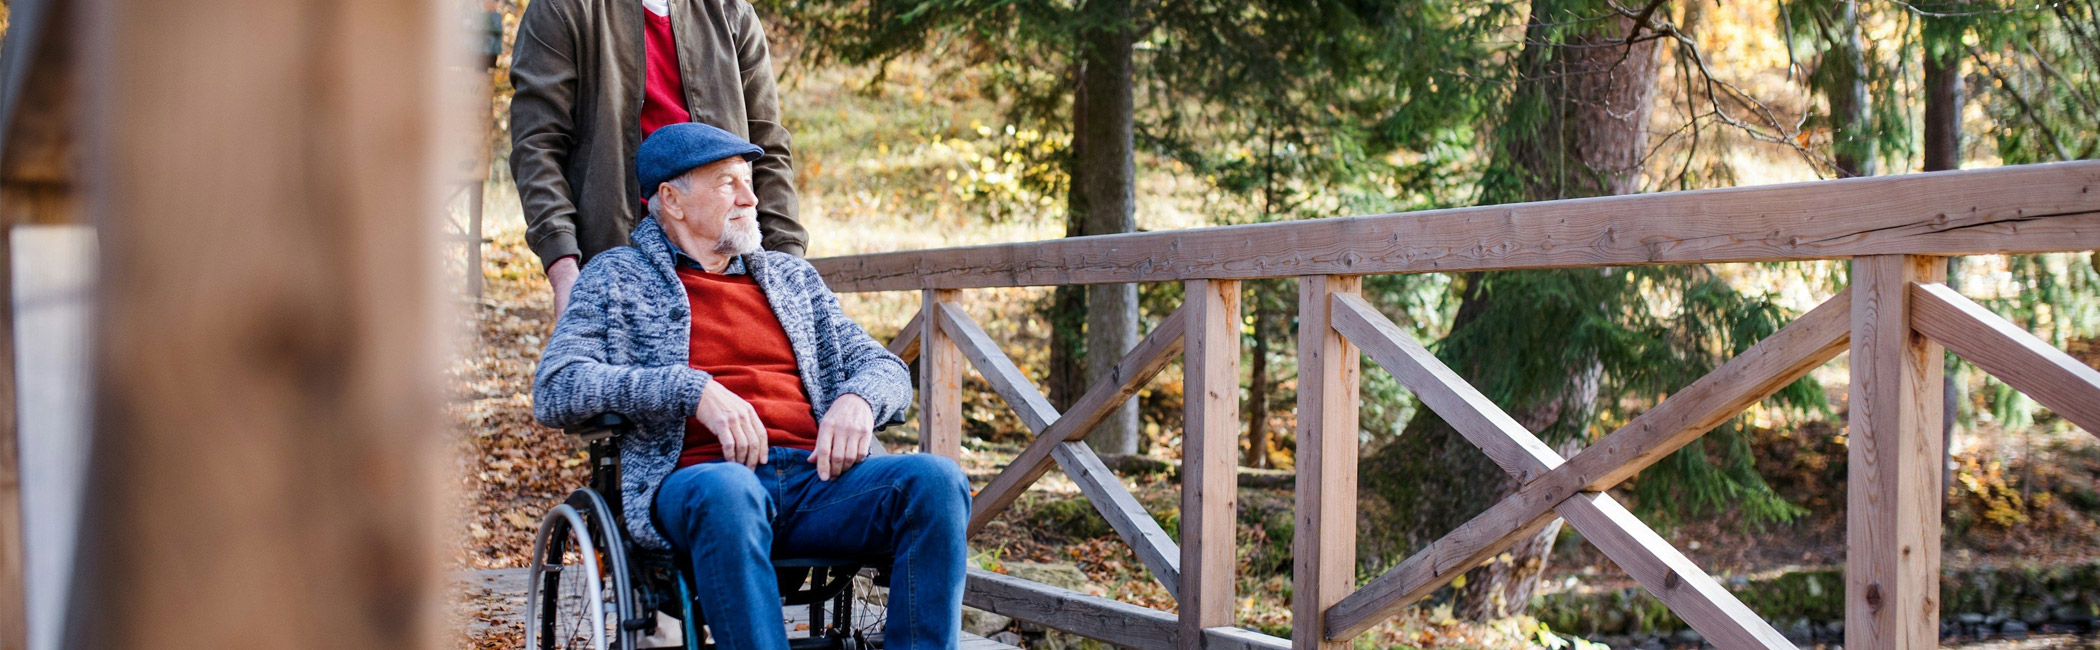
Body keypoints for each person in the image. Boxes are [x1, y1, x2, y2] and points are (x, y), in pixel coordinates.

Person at [533, 122, 967, 650]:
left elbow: (885, 367)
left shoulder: (791, 279)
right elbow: (556, 385)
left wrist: (859, 399)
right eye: (727, 183)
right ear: (671, 200)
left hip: (816, 482)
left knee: (936, 482)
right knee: (729, 490)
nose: (750, 197)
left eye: (749, 180)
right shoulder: (616, 277)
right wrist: (690, 390)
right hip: (701, 482)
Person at [510, 0, 807, 314]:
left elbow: (769, 146)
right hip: (619, 261)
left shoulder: (731, 11)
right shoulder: (561, 9)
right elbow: (538, 148)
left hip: (726, 262)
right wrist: (564, 267)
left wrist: (787, 263)